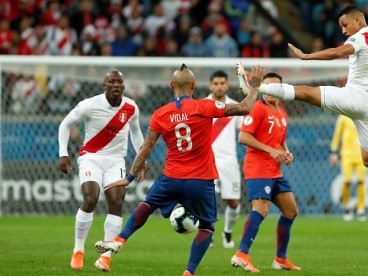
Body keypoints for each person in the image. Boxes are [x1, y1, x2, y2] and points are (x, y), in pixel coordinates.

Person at [94, 63, 265, 276]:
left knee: (147, 204)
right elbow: (245, 107)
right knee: (207, 227)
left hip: (171, 177)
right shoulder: (205, 106)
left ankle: (120, 239)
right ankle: (188, 272)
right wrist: (255, 86)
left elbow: (146, 147)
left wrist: (129, 177)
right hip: (200, 180)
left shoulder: (160, 114)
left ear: (171, 85)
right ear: (193, 87)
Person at [242, 5, 368, 169]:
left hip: (355, 96)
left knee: (305, 93)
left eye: (345, 25)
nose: (343, 31)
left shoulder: (361, 37)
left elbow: (338, 52)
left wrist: (307, 56)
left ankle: (254, 87)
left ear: (358, 20)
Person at [58, 69, 144, 272]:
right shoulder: (89, 105)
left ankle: (106, 256)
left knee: (116, 200)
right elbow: (65, 124)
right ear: (104, 86)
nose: (116, 85)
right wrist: (63, 153)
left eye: (119, 82)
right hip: (91, 158)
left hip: (116, 161)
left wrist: (141, 159)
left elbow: (135, 131)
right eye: (111, 81)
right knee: (91, 198)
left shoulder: (131, 107)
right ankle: (78, 249)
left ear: (124, 86)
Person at [231, 72, 301, 272]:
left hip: (275, 170)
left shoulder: (282, 114)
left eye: (274, 86)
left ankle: (280, 259)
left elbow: (280, 141)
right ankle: (241, 254)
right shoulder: (257, 108)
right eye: (266, 85)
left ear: (280, 89)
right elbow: (243, 137)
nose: (270, 90)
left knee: (291, 211)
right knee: (261, 209)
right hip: (258, 167)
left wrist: (286, 152)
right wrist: (271, 150)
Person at [207, 70, 243, 248]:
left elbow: (245, 131)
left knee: (234, 202)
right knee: (207, 199)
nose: (219, 86)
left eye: (222, 83)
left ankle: (227, 231)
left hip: (229, 161)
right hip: (207, 161)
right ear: (210, 85)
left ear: (227, 85)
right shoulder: (203, 105)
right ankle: (208, 234)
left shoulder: (236, 107)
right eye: (216, 83)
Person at [329, 115, 368, 221]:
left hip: (361, 155)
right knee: (347, 181)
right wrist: (333, 151)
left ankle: (361, 209)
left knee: (361, 182)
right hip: (346, 155)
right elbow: (337, 134)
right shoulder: (343, 116)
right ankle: (347, 207)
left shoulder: (363, 114)